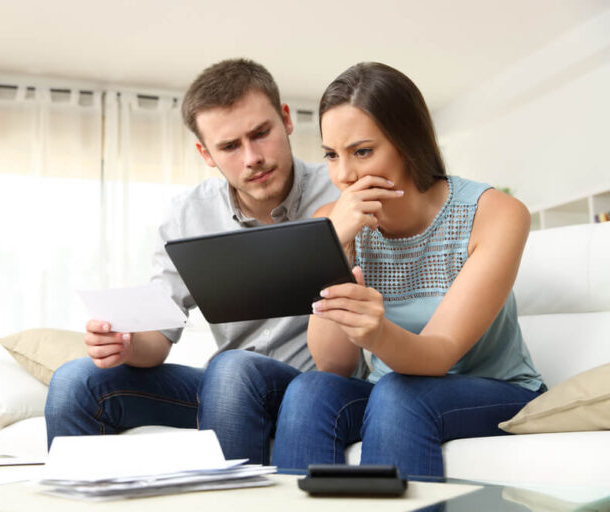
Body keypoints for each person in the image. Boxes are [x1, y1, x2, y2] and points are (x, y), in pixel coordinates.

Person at [44, 59, 339, 464]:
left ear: (286, 119)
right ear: (206, 153)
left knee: (233, 369)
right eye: (230, 146)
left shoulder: (340, 190)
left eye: (261, 134)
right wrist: (125, 342)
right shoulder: (188, 215)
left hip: (311, 389)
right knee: (74, 380)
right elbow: (156, 343)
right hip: (226, 390)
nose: (251, 157)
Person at [271, 62, 545, 477]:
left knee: (401, 393)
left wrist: (378, 333)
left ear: (408, 143)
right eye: (331, 155)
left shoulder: (495, 214)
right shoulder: (334, 219)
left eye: (362, 152)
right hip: (390, 391)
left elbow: (439, 354)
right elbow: (333, 364)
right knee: (309, 388)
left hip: (497, 390)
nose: (343, 176)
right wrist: (336, 246)